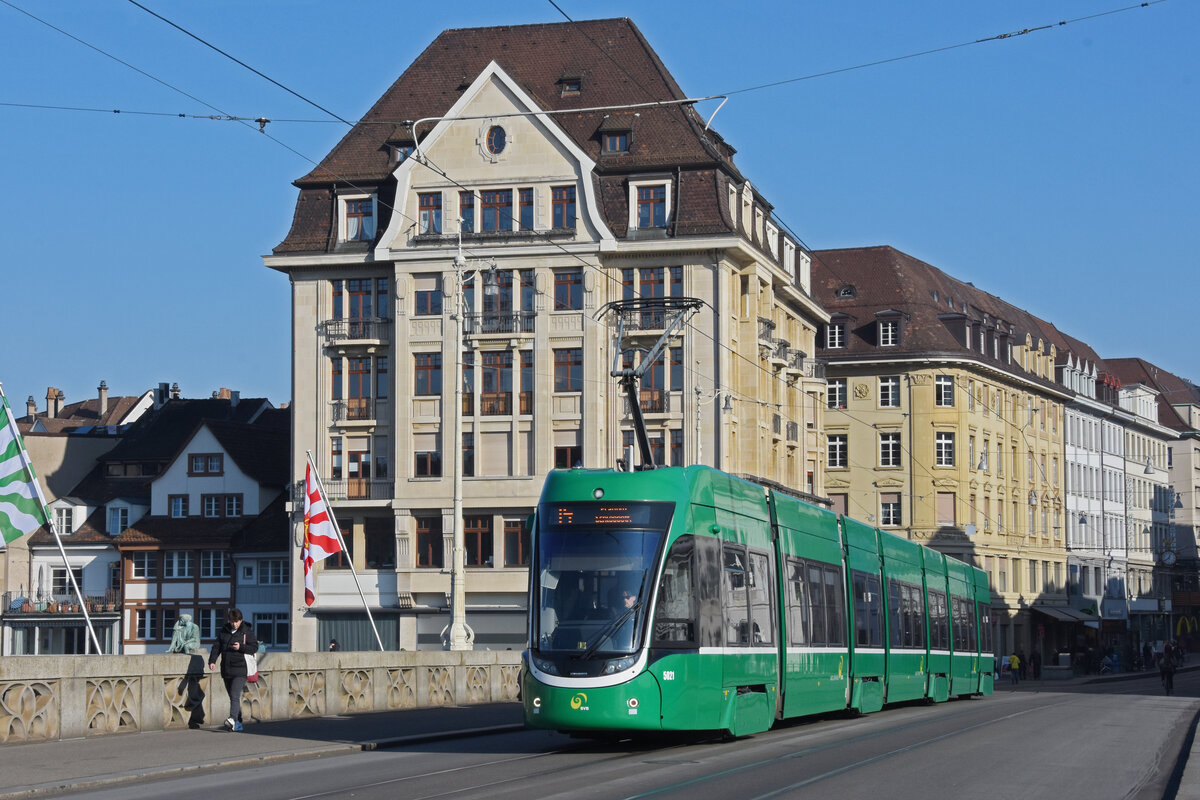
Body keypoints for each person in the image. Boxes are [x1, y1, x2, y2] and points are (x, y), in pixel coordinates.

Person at [208, 608, 258, 732]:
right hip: (226, 669)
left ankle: (231, 719)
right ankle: (237, 722)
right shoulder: (224, 631)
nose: (234, 624)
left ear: (240, 620)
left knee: (235, 695)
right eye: (232, 621)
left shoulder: (246, 632)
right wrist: (212, 661)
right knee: (232, 696)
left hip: (240, 669)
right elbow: (217, 647)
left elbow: (254, 647)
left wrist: (241, 647)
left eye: (236, 621)